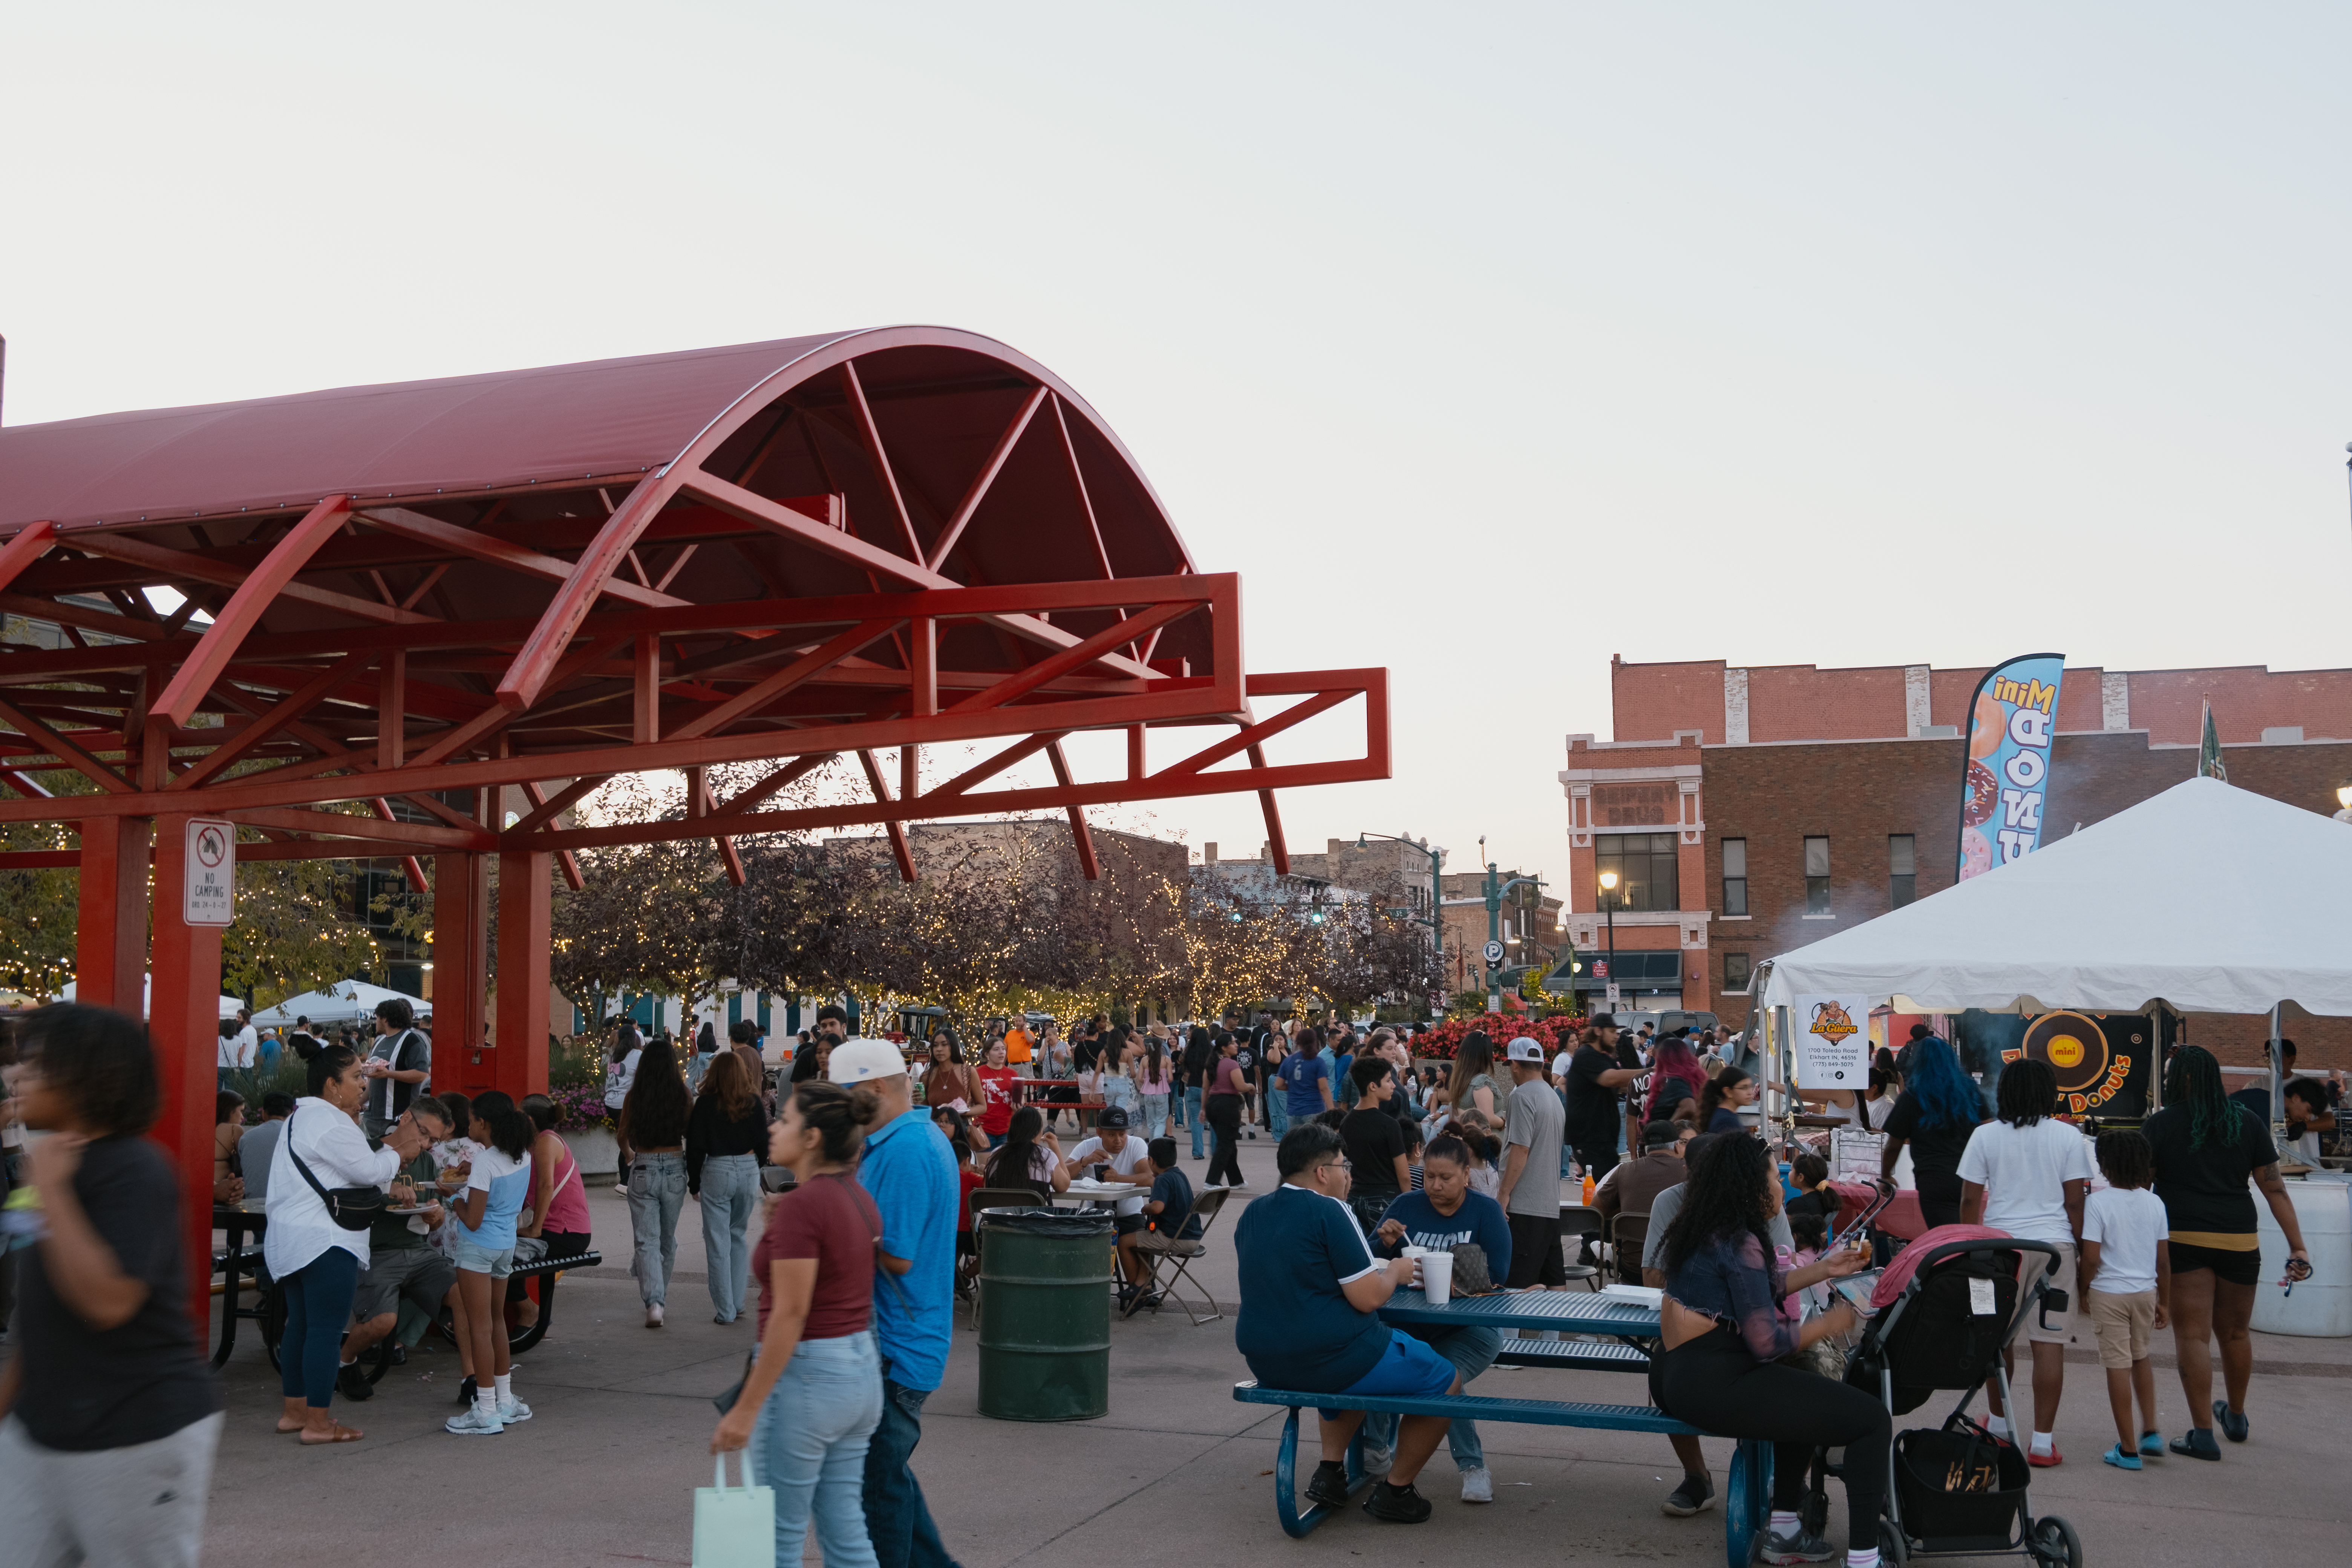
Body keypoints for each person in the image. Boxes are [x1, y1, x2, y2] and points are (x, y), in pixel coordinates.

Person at [0, 1006, 226, 1566]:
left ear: (86, 1075)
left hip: (136, 1431)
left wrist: (50, 1187)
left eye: (35, 1061)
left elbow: (108, 1301)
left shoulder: (136, 1169)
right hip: (41, 1430)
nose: (16, 1074)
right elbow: (37, 1306)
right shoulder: (48, 1166)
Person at [1652, 1133, 1884, 1567]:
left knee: (1802, 1392)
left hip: (1674, 1373)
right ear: (1749, 1185)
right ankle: (1865, 1559)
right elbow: (1766, 1344)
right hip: (1713, 1381)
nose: (1783, 1187)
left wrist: (1823, 1268)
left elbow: (1755, 1288)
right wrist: (1827, 1324)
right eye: (1774, 1176)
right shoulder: (1740, 1240)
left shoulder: (1704, 1227)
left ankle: (1785, 1529)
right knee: (1872, 1421)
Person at [1233, 1122, 1461, 1524]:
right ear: (1323, 1172)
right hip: (1330, 1356)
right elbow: (1370, 1296)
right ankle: (1396, 1490)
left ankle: (1331, 1470)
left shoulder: (1253, 1212)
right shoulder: (1330, 1208)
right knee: (1445, 1379)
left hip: (1264, 1359)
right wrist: (1396, 1269)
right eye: (1344, 1165)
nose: (1348, 1173)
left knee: (1356, 1355)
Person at [711, 1079, 888, 1568]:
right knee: (845, 1531)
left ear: (812, 1138)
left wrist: (745, 1409)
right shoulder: (854, 1196)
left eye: (786, 1119)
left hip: (809, 1376)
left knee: (773, 1542)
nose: (774, 1125)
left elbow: (791, 1313)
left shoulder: (807, 1206)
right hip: (857, 1372)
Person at [825, 1037, 960, 1568]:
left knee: (877, 1491)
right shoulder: (909, 1139)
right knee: (887, 1479)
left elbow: (898, 1256)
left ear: (877, 1089)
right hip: (904, 1341)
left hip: (897, 1348)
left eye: (848, 1096)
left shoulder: (906, 1149)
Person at [2142, 1044, 2311, 1461]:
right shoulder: (2247, 1122)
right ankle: (2235, 1415)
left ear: (2178, 1077)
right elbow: (2274, 1188)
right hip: (2239, 1239)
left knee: (2193, 1335)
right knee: (2236, 1333)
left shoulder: (2160, 1124)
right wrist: (2299, 1246)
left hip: (2181, 1239)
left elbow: (2141, 1192)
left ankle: (2203, 1433)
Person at [266, 1034, 428, 1443]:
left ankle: (295, 1411)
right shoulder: (328, 1120)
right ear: (331, 1085)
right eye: (357, 1076)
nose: (364, 1082)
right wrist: (402, 1149)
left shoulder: (302, 1117)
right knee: (325, 1329)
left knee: (302, 1325)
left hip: (296, 1239)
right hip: (325, 1241)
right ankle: (319, 1423)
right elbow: (369, 1171)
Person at [1359, 1133, 1513, 1503]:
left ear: (1466, 1174)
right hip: (1411, 1324)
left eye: (1445, 1177)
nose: (1435, 1185)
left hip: (1471, 1328)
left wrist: (1455, 1278)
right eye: (1429, 1176)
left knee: (1446, 1376)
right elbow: (1368, 1260)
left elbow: (1500, 1273)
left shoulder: (1485, 1211)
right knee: (1379, 1357)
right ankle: (1376, 1448)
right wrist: (1383, 1240)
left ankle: (1473, 1466)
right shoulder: (1406, 1205)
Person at [1957, 1058, 2092, 1465]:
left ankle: (1999, 1427)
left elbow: (1968, 1199)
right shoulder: (2069, 1137)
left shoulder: (1984, 1135)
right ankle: (2041, 1442)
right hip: (2054, 1249)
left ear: (2005, 1092)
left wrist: (1968, 1247)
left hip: (1998, 1249)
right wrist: (2081, 1250)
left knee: (1998, 1340)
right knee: (2050, 1342)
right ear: (2050, 1093)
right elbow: (2074, 1201)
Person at [338, 1095, 461, 1404]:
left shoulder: (426, 1161)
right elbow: (346, 1199)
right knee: (383, 1322)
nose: (426, 1143)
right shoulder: (367, 1153)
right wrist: (385, 1190)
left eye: (433, 1139)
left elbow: (431, 1223)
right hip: (375, 1251)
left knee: (468, 1296)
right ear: (405, 1118)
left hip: (417, 1252)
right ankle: (344, 1361)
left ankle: (474, 1381)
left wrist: (436, 1215)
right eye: (423, 1134)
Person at [444, 1090, 535, 1435]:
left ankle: (484, 1410)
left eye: (471, 1120)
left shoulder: (485, 1163)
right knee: (497, 1321)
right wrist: (471, 1176)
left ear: (484, 1123)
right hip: (505, 1247)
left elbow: (472, 1219)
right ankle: (506, 1400)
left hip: (477, 1249)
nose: (468, 1125)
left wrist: (452, 1196)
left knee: (478, 1327)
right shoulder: (521, 1154)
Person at [2079, 1129, 2170, 1472]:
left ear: (2104, 1165)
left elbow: (2090, 1257)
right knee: (2141, 1357)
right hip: (2146, 1292)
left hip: (2109, 1293)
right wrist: (2166, 1301)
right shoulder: (2155, 1202)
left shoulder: (2098, 1203)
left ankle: (2128, 1450)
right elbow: (2163, 1261)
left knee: (2117, 1364)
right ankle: (2150, 1431)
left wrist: (2084, 1288)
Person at [689, 1050, 771, 1326]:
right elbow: (763, 1143)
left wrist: (694, 1182)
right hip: (749, 1168)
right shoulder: (754, 1103)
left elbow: (696, 1146)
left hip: (717, 1169)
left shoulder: (705, 1104)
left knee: (717, 1241)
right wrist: (756, 1167)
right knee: (738, 1235)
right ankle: (738, 1301)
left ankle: (725, 1310)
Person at [1876, 1034, 1987, 1230]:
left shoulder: (1911, 1097)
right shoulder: (1970, 1091)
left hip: (1933, 1182)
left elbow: (1893, 1146)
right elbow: (1988, 1128)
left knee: (1947, 1242)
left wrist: (1886, 1175)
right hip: (1971, 1177)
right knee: (1970, 1239)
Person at [621, 1035, 693, 1328]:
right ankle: (659, 1298)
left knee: (646, 1240)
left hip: (643, 1166)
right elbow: (690, 1130)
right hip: (676, 1166)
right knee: (667, 1239)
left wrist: (630, 1156)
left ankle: (654, 1303)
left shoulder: (634, 1095)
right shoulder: (683, 1094)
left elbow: (622, 1135)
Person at [1063, 1106, 1158, 1302]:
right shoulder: (1088, 1146)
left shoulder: (1136, 1144)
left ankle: (1142, 1289)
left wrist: (1118, 1178)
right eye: (1112, 1134)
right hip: (1095, 1215)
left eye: (1122, 1134)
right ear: (1099, 1132)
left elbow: (1150, 1178)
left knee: (1140, 1237)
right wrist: (1083, 1161)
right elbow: (1061, 1175)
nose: (1118, 1140)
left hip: (1130, 1213)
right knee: (1073, 1239)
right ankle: (1088, 1288)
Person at [1493, 1037, 1568, 1288]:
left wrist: (1503, 1194)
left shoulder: (1521, 1096)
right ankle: (1553, 1330)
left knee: (1516, 1285)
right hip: (1549, 1203)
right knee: (1554, 1282)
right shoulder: (1552, 1095)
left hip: (1524, 1205)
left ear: (1515, 1064)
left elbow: (1521, 1149)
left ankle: (1512, 1330)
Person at [1564, 1019, 1642, 1182]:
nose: (1616, 1037)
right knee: (1602, 1189)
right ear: (1598, 1031)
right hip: (1589, 1138)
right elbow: (1610, 1079)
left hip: (1603, 1139)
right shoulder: (1585, 1055)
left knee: (1609, 1188)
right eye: (1612, 1032)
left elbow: (1620, 1084)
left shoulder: (1603, 1059)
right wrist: (1650, 1072)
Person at [1338, 1056, 1410, 1232]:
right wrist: (1409, 1205)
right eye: (1388, 1081)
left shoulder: (1346, 1122)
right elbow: (1404, 1175)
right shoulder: (1389, 1125)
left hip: (1355, 1198)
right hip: (1385, 1200)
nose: (1394, 1085)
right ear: (1373, 1086)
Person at [1594, 1119, 1693, 1229]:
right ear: (1676, 1147)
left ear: (1647, 1149)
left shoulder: (1624, 1170)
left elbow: (1594, 1211)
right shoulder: (1690, 1170)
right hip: (1674, 1245)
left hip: (1632, 1246)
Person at [357, 997, 429, 1142]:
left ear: (385, 1019)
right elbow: (373, 1082)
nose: (375, 1022)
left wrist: (388, 1074)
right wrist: (357, 1104)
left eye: (377, 1017)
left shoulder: (412, 1040)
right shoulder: (379, 1041)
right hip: (372, 1117)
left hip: (398, 1117)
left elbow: (422, 1074)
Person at [982, 1105, 1068, 1197]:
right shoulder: (1046, 1156)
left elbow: (987, 1187)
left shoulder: (997, 1154)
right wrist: (1056, 1149)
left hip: (1000, 1211)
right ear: (1037, 1132)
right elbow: (1064, 1186)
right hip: (1034, 1211)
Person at [1203, 1032, 1250, 1189]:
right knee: (1225, 1144)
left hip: (1213, 1105)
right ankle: (1211, 1181)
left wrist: (1203, 1109)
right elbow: (1241, 1086)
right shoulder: (1231, 1064)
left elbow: (1205, 1089)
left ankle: (1236, 1181)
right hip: (1227, 1105)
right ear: (1224, 1048)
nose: (1236, 1045)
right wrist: (1251, 1087)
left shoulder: (1212, 1063)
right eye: (1233, 1043)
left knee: (1228, 1143)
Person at [236, 1090, 296, 1207]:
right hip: (287, 1209)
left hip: (251, 1208)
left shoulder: (246, 1139)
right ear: (291, 1115)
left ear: (264, 1114)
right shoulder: (299, 1138)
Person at [606, 1021, 643, 1193]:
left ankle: (626, 1181)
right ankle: (626, 1183)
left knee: (626, 1139)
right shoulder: (637, 1055)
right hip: (626, 1103)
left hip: (610, 1103)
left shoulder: (614, 1055)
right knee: (631, 1142)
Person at [1140, 1136, 1201, 1241]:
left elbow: (1156, 1208)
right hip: (1193, 1236)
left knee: (1124, 1241)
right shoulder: (1180, 1174)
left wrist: (1145, 1208)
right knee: (1139, 1236)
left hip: (1175, 1237)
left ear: (1151, 1160)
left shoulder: (1162, 1179)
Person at [1642, 1031, 1707, 1125]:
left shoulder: (1676, 1081)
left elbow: (1689, 1108)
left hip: (1671, 1138)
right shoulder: (1684, 1080)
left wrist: (1667, 1129)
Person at [1279, 1025, 1334, 1127]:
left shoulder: (1289, 1061)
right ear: (1315, 1041)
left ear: (1298, 1042)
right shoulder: (1318, 1062)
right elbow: (1323, 1088)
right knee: (1314, 1141)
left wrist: (1293, 1086)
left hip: (1293, 1110)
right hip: (1314, 1109)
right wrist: (1332, 1110)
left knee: (1296, 1141)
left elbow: (1278, 1085)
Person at [918, 1033, 981, 1121]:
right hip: (936, 1131)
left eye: (944, 1044)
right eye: (935, 1045)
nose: (939, 1049)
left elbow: (982, 1106)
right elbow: (924, 1111)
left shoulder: (968, 1072)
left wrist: (962, 1112)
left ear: (953, 1046)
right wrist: (917, 1102)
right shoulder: (926, 1076)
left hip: (960, 1130)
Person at [2280, 1076, 2334, 1167]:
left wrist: (2303, 1126)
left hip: (2308, 1164)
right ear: (2296, 1098)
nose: (2308, 1117)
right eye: (2309, 1110)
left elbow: (2331, 1122)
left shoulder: (2311, 1092)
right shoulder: (2268, 1103)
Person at [974, 1037, 1019, 1143]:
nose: (1001, 1052)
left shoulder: (1012, 1074)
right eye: (996, 1049)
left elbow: (1018, 1099)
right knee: (986, 1161)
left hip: (1007, 1129)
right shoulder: (978, 1073)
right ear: (987, 1054)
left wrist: (1019, 1106)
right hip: (984, 1128)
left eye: (1003, 1049)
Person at [1181, 1023, 1216, 1160]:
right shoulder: (1212, 1051)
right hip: (1208, 1089)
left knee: (1196, 1121)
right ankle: (1214, 1150)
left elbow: (1182, 1065)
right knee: (1213, 1121)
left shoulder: (1189, 1052)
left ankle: (1197, 1152)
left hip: (1192, 1087)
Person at [1699, 1066, 1758, 1136]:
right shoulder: (1726, 1122)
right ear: (1728, 1092)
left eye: (1750, 1086)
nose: (1750, 1092)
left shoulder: (1727, 1116)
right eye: (1744, 1088)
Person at [1137, 1032, 1174, 1139]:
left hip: (1148, 1093)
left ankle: (1152, 1144)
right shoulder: (1166, 1059)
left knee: (1151, 1122)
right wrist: (1163, 1083)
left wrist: (1148, 1082)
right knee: (1161, 1121)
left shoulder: (1144, 1060)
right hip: (1162, 1092)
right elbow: (1171, 1078)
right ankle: (1157, 1140)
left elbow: (1140, 1079)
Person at [213, 1088, 247, 1205]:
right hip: (227, 1194)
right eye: (241, 1111)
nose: (243, 1117)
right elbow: (246, 1163)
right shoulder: (234, 1130)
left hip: (204, 1193)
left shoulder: (204, 1128)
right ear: (230, 1110)